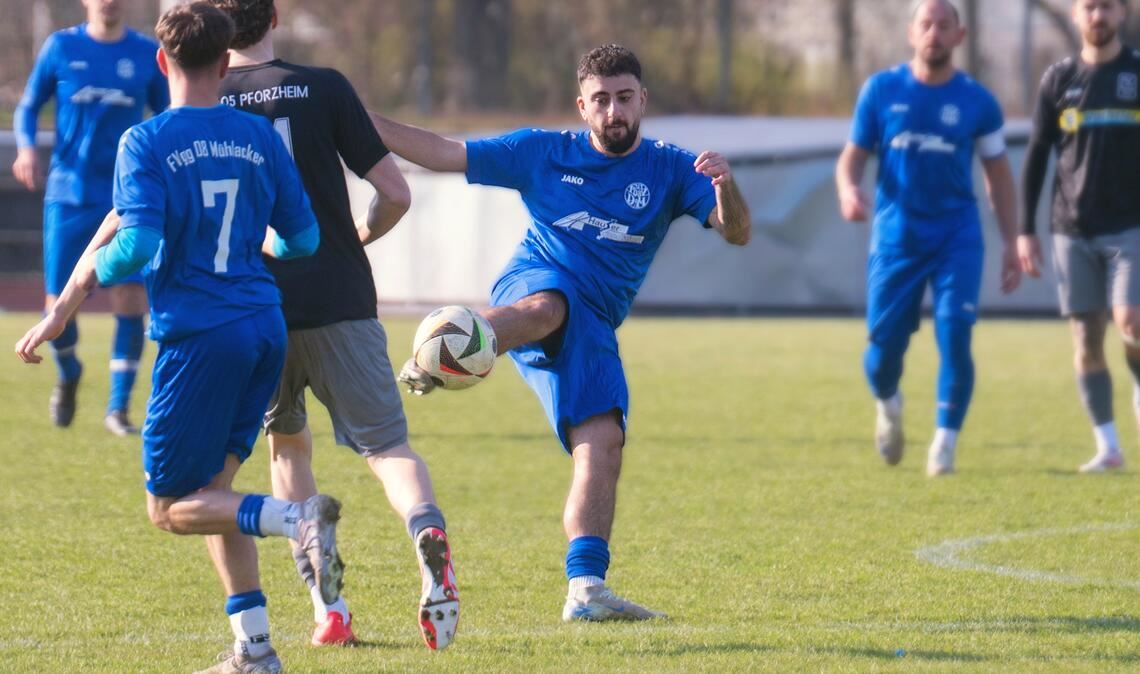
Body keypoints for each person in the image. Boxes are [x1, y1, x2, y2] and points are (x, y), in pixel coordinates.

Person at [15, 4, 340, 672]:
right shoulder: (258, 138)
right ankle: (255, 649)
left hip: (200, 339)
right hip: (263, 328)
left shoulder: (148, 140)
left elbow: (136, 246)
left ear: (161, 63)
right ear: (225, 64)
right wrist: (252, 252)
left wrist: (96, 275)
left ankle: (295, 519)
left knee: (168, 508)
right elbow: (303, 239)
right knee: (217, 494)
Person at [382, 43, 751, 621]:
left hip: (594, 320)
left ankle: (585, 589)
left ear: (642, 100)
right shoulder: (543, 152)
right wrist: (355, 120)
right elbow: (442, 152)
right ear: (582, 106)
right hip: (533, 285)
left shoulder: (673, 168)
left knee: (602, 443)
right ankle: (454, 345)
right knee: (551, 304)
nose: (614, 112)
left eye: (624, 99)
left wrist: (726, 185)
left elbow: (735, 233)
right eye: (601, 101)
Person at [204, 0, 458, 650]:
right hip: (340, 295)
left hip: (253, 310)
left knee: (287, 445)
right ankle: (426, 530)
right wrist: (354, 237)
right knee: (387, 449)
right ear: (277, 20)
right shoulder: (325, 87)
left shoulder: (204, 102)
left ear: (219, 29)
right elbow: (396, 192)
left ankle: (330, 609)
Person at [835, 0, 1022, 477]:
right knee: (882, 354)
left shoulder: (978, 102)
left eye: (944, 24)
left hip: (957, 238)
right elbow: (851, 159)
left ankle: (945, 442)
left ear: (959, 35)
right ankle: (888, 402)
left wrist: (1013, 240)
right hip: (897, 240)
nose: (934, 32)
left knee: (956, 334)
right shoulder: (881, 91)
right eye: (926, 23)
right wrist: (849, 190)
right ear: (911, 32)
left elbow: (998, 176)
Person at [13, 0, 169, 436]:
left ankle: (117, 410)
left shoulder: (143, 53)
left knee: (131, 299)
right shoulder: (60, 47)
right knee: (57, 305)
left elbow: (167, 116)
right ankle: (69, 371)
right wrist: (26, 148)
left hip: (124, 196)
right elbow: (28, 106)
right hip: (69, 196)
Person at [1020, 0, 1140, 473]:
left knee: (1130, 321)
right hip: (1071, 228)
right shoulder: (1058, 80)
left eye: (1107, 7)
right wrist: (1026, 230)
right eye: (1090, 7)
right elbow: (1035, 156)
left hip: (1131, 226)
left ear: (1122, 15)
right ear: (1075, 15)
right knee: (1086, 340)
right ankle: (1108, 447)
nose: (1098, 16)